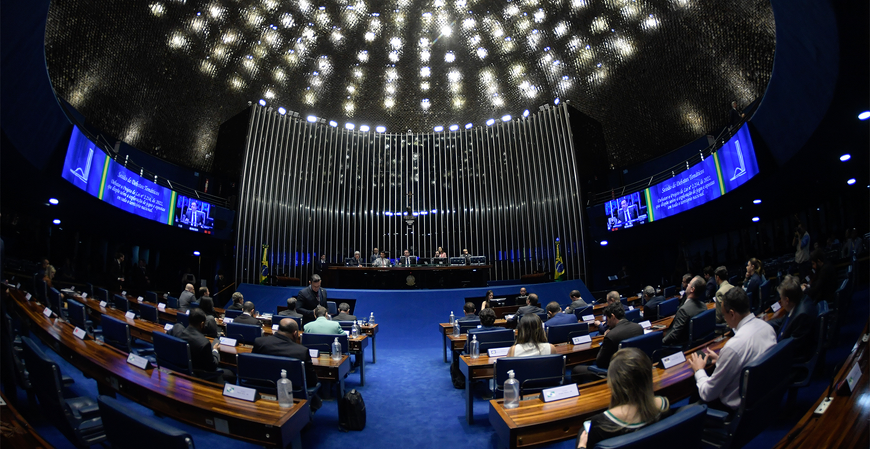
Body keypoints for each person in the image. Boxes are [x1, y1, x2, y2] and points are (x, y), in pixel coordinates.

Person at [688, 287, 776, 413]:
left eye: (724, 314)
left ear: (732, 314)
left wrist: (699, 370)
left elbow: (707, 394)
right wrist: (722, 360)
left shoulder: (733, 347)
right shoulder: (767, 328)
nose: (725, 319)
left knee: (694, 399)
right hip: (761, 400)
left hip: (735, 411)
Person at [576, 348, 671, 449]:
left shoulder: (600, 423)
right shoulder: (664, 405)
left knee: (582, 432)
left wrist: (581, 446)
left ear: (613, 384)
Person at [767, 275, 818, 363]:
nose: (781, 302)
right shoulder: (798, 301)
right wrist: (764, 324)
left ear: (787, 300)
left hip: (791, 359)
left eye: (781, 298)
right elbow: (783, 321)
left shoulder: (802, 316)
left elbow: (793, 348)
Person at [178, 309, 235, 383]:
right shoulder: (204, 343)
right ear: (202, 324)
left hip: (186, 371)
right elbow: (212, 367)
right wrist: (215, 350)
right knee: (232, 375)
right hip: (202, 374)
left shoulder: (179, 334)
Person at [662, 276, 707, 345]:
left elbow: (674, 335)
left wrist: (661, 342)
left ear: (692, 289)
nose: (687, 284)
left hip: (681, 346)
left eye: (689, 283)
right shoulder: (704, 306)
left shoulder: (684, 310)